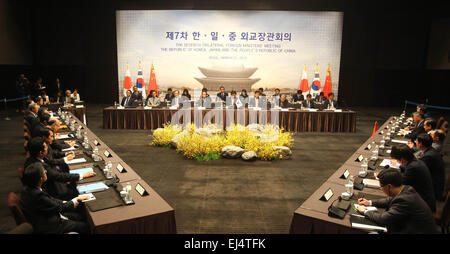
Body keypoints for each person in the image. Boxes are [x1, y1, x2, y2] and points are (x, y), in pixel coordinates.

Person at [356, 168, 438, 234]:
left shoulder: (404, 200)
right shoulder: (406, 188)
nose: (381, 189)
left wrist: (365, 211)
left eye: (381, 187)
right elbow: (389, 200)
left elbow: (383, 219)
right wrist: (370, 202)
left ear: (389, 186)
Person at [19, 162, 91, 234]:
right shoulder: (37, 195)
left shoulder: (29, 188)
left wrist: (68, 202)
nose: (46, 172)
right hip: (50, 225)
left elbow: (51, 200)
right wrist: (75, 200)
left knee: (80, 216)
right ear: (41, 179)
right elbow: (58, 207)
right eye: (44, 171)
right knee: (84, 226)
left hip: (47, 216)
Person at [24, 137, 95, 201]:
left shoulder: (37, 157)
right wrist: (82, 175)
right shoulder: (37, 166)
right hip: (51, 192)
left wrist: (65, 155)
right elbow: (57, 176)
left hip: (49, 184)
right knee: (74, 190)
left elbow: (51, 161)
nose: (48, 149)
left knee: (69, 178)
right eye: (46, 147)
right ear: (41, 152)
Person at [390, 144, 436, 212]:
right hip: (424, 197)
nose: (398, 162)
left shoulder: (413, 167)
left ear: (402, 159)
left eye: (397, 160)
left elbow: (400, 183)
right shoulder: (415, 161)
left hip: (423, 204)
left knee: (392, 202)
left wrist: (387, 175)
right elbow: (406, 168)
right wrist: (398, 166)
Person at [415, 133, 445, 201]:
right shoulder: (430, 150)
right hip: (434, 179)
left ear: (421, 144)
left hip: (433, 186)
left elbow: (417, 169)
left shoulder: (428, 156)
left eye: (416, 141)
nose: (415, 142)